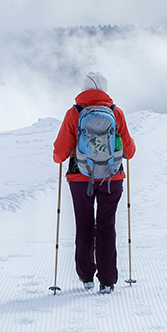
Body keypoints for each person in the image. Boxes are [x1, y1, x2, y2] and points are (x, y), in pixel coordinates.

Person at [53, 72, 136, 293]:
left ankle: (86, 276)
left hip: (80, 177)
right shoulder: (115, 112)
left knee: (84, 224)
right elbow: (129, 151)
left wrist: (61, 157)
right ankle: (107, 280)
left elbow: (60, 152)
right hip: (111, 177)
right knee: (106, 226)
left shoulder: (74, 113)